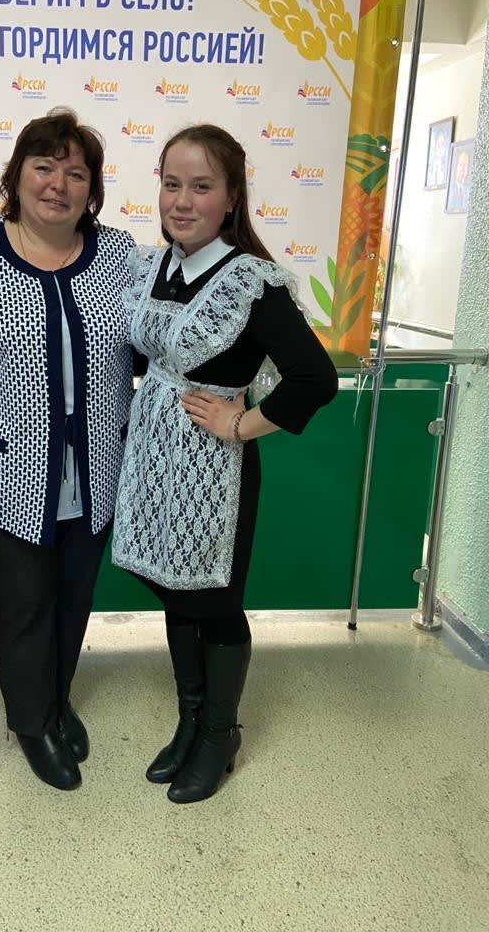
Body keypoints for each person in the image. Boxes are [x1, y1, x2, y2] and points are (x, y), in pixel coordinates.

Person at [112, 124, 338, 804]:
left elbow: (314, 378)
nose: (182, 201)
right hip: (153, 456)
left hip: (214, 466)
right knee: (174, 588)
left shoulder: (250, 280)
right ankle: (189, 719)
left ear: (232, 197)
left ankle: (219, 733)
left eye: (201, 187)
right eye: (171, 184)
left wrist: (242, 423)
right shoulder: (153, 268)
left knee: (213, 600)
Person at [0, 109, 135, 791]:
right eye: (44, 167)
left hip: (96, 465)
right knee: (22, 605)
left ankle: (56, 698)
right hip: (8, 468)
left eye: (76, 173)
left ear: (92, 189)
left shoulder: (120, 254)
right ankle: (31, 723)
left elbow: (154, 340)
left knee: (74, 597)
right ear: (15, 176)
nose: (58, 184)